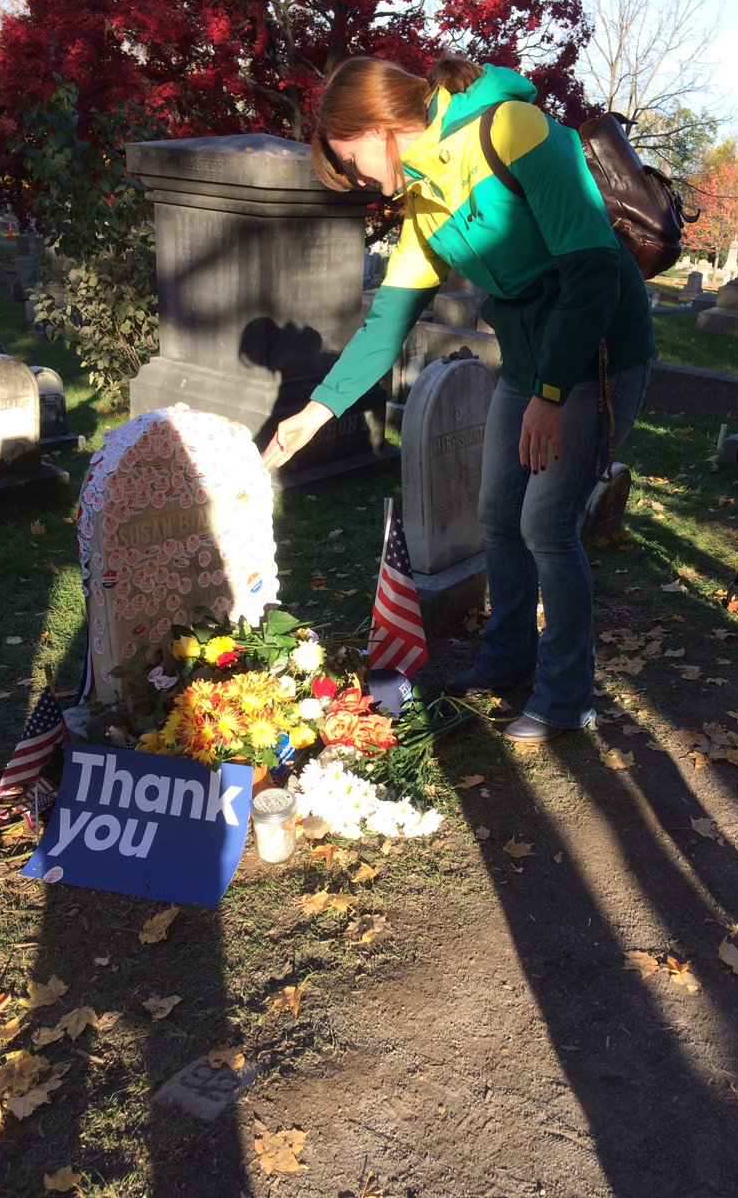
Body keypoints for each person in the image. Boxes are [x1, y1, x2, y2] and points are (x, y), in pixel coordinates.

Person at [262, 55, 655, 744]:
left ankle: (566, 695)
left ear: (378, 126)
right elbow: (389, 320)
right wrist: (316, 412)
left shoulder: (514, 131)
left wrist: (552, 394)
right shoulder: (425, 198)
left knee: (546, 525)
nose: (356, 177)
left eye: (350, 159)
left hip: (597, 357)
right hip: (528, 367)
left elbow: (592, 270)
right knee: (497, 515)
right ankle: (507, 657)